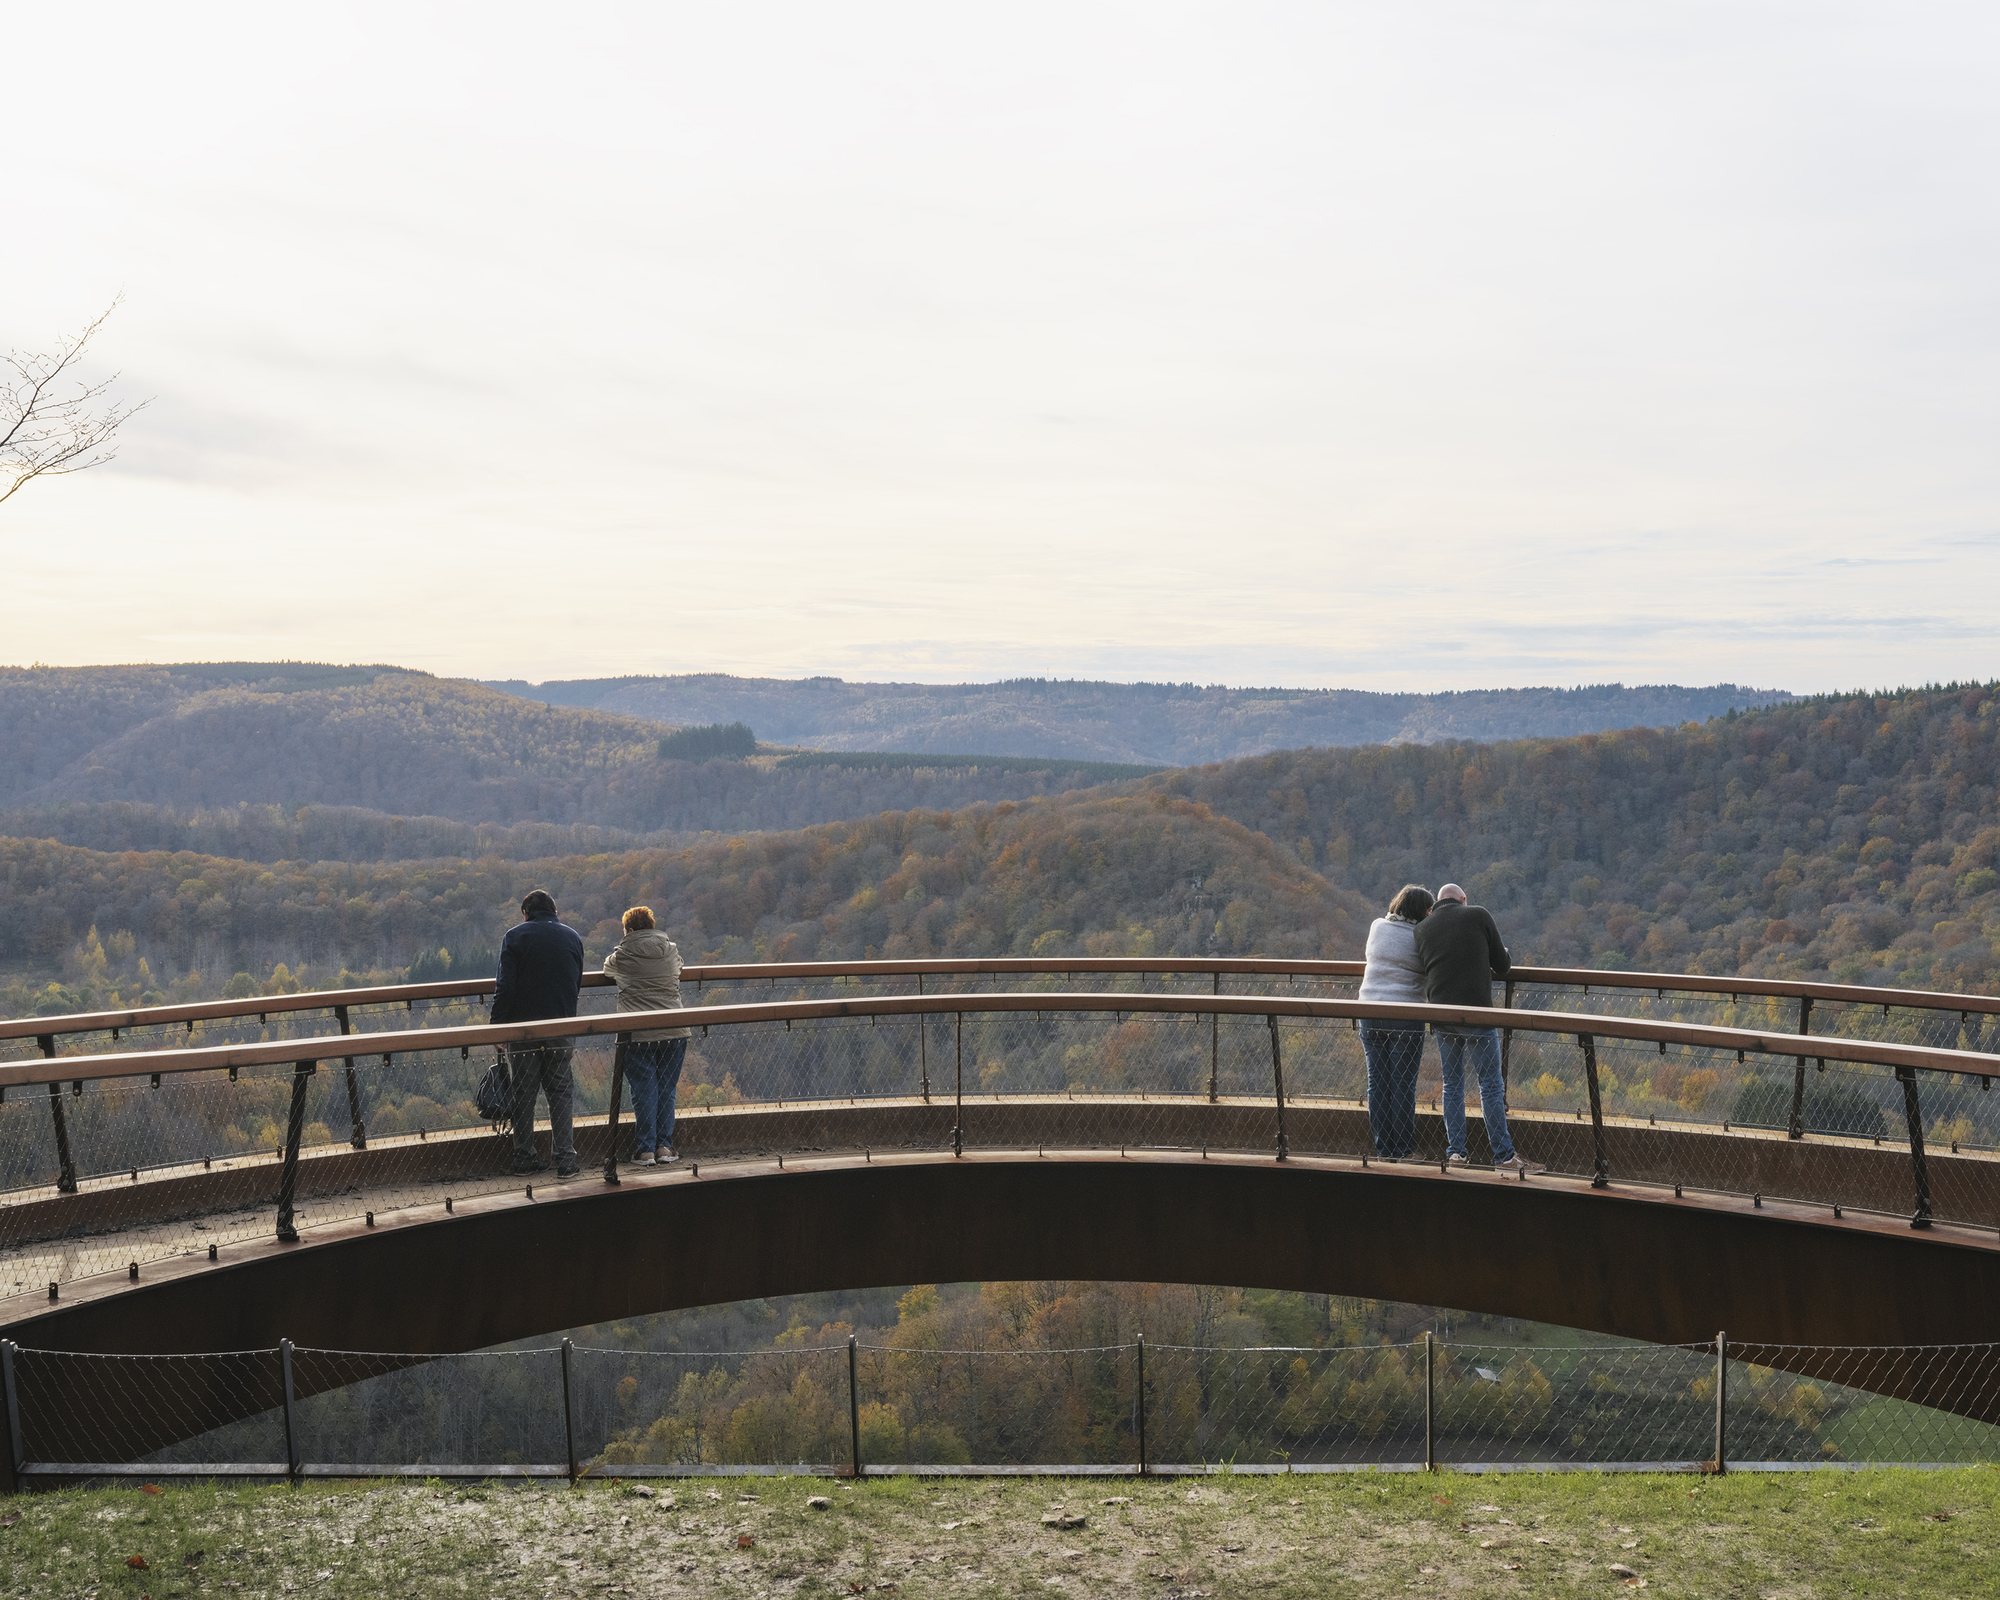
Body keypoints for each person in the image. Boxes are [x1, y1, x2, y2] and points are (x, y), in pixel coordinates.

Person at [1414, 883, 1543, 1174]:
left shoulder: (1422, 929)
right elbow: (1503, 965)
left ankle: (1456, 1154)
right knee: (1490, 1085)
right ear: (1463, 900)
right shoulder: (1478, 915)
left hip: (1442, 1016)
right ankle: (1504, 1156)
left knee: (1453, 1085)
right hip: (1477, 1015)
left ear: (1436, 904)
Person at [491, 888, 585, 1178]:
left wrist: (498, 1027)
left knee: (523, 1091)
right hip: (561, 1025)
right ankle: (565, 1161)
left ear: (525, 913)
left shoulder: (515, 937)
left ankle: (523, 1157)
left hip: (524, 1029)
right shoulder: (573, 937)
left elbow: (505, 987)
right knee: (560, 1090)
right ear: (556, 912)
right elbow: (576, 981)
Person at [602, 905, 692, 1165]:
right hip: (674, 1028)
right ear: (652, 927)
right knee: (667, 1088)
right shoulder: (671, 950)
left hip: (637, 1032)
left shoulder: (622, 955)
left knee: (644, 1090)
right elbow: (679, 969)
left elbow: (608, 970)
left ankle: (645, 1151)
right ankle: (665, 1146)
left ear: (628, 930)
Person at [1358, 884, 1433, 1160]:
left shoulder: (1377, 926)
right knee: (1402, 1084)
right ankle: (1403, 1150)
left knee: (1377, 1083)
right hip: (1406, 1015)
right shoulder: (1422, 936)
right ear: (1424, 912)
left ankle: (1384, 1149)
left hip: (1369, 1011)